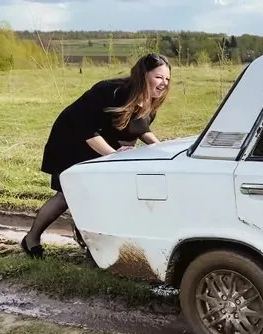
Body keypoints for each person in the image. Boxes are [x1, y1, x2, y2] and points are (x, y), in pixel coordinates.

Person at [21, 53, 172, 259]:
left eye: (167, 79)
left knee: (99, 194)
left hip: (101, 141)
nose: (163, 83)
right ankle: (31, 239)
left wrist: (163, 149)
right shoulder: (112, 91)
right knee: (66, 195)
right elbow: (85, 129)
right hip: (72, 139)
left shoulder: (149, 102)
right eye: (158, 77)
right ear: (143, 75)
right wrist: (113, 155)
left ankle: (93, 247)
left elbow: (140, 129)